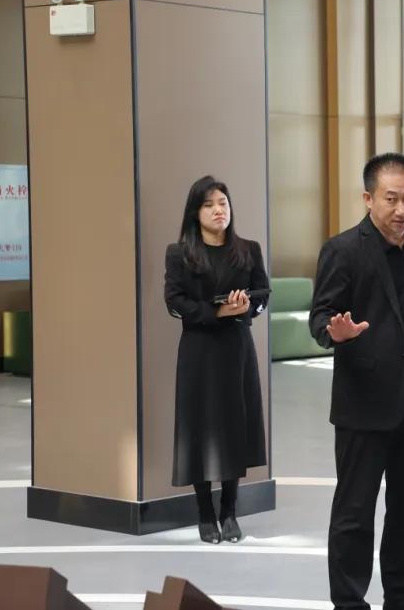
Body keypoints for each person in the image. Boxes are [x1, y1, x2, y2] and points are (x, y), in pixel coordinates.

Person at [310, 152, 404, 610]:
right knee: (355, 511)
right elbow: (320, 316)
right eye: (391, 199)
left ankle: (401, 593)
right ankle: (349, 601)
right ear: (368, 198)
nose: (401, 209)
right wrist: (334, 332)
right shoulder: (343, 250)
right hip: (364, 402)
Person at [164, 175, 269, 544]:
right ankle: (204, 511)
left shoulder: (249, 249)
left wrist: (245, 308)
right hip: (198, 350)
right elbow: (174, 302)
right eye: (208, 205)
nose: (218, 210)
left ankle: (229, 510)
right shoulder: (179, 254)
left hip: (236, 349)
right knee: (198, 427)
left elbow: (262, 294)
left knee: (234, 426)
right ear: (196, 213)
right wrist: (217, 311)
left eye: (222, 203)